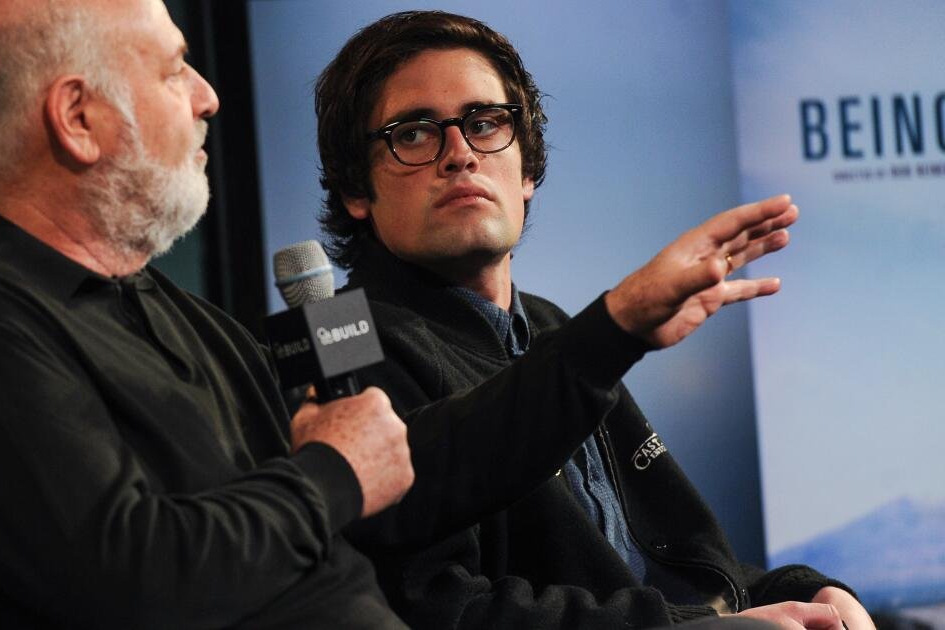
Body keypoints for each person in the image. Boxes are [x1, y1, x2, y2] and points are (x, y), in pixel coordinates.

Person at [0, 0, 809, 627]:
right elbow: (128, 579)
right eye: (175, 68)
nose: (208, 97)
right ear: (78, 118)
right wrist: (329, 475)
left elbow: (409, 476)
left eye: (485, 125)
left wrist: (613, 331)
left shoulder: (169, 314)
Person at [314, 10, 874, 630]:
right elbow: (441, 609)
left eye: (485, 122)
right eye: (415, 134)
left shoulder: (549, 325)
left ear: (528, 169)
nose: (460, 154)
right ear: (355, 188)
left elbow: (656, 568)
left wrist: (804, 591)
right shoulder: (343, 349)